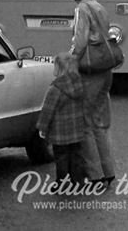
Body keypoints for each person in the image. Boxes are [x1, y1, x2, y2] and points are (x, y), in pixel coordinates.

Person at [67, 0, 116, 186]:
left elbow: (80, 41)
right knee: (100, 123)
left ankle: (95, 175)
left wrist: (70, 60)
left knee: (85, 123)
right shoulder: (99, 6)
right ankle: (108, 170)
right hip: (106, 67)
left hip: (91, 69)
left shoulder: (82, 9)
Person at [37, 53, 89, 187]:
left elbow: (48, 110)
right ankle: (78, 181)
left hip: (60, 132)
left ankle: (63, 183)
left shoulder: (56, 88)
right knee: (76, 156)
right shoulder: (80, 84)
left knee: (61, 158)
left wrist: (42, 128)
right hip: (77, 130)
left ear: (59, 69)